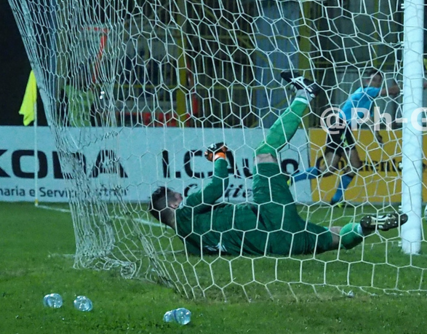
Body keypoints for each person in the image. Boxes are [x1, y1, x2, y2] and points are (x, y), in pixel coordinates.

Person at [149, 75, 404, 256]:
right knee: (264, 153)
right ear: (173, 204)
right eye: (177, 194)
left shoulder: (190, 244)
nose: (182, 194)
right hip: (270, 218)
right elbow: (218, 186)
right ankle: (304, 93)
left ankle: (363, 227)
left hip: (278, 246)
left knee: (331, 238)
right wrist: (219, 157)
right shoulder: (186, 210)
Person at [301, 70, 401, 204]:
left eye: (379, 81)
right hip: (342, 128)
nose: (377, 83)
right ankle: (337, 199)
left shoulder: (369, 100)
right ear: (367, 81)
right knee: (355, 165)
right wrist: (413, 85)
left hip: (339, 129)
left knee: (329, 169)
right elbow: (391, 91)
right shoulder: (366, 91)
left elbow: (369, 119)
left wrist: (376, 135)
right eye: (374, 80)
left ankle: (292, 179)